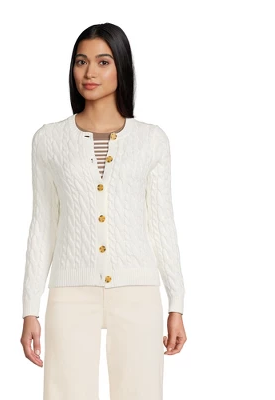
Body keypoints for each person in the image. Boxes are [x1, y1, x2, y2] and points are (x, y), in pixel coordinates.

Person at [20, 22, 187, 400]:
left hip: (137, 289)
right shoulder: (49, 140)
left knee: (141, 393)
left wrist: (176, 302)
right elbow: (43, 225)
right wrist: (30, 308)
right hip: (70, 290)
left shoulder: (151, 140)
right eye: (81, 61)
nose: (89, 72)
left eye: (102, 61)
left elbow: (162, 224)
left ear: (121, 67)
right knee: (66, 393)